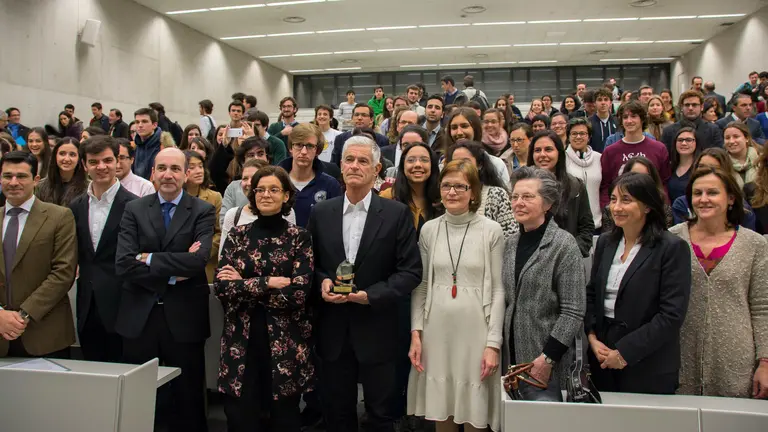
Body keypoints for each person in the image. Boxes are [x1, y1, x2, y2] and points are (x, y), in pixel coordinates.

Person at [307, 135, 422, 431]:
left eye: (362, 161)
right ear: (340, 166)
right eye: (349, 160)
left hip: (379, 329)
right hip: (333, 331)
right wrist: (321, 283)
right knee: (337, 414)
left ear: (376, 169)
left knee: (381, 416)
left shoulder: (397, 214)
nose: (355, 166)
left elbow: (410, 272)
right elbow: (311, 265)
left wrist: (369, 296)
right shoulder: (321, 213)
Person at [115, 147, 215, 432]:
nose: (167, 174)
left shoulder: (202, 211)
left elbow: (197, 261)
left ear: (186, 174)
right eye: (161, 168)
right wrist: (173, 272)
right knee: (143, 398)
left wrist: (148, 258)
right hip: (140, 318)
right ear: (153, 173)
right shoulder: (134, 208)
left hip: (185, 318)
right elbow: (123, 264)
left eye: (174, 168)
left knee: (188, 398)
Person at [215, 165, 314, 431]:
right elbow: (223, 289)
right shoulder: (237, 235)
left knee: (285, 418)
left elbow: (298, 294)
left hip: (286, 342)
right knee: (240, 417)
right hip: (241, 341)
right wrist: (268, 282)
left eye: (274, 189)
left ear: (286, 196)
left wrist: (244, 284)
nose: (266, 195)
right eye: (260, 189)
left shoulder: (299, 238)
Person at [408, 160, 504, 431]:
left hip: (476, 333)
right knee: (442, 413)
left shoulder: (491, 231)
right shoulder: (429, 229)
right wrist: (416, 332)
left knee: (475, 415)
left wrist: (493, 343)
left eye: (460, 186)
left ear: (473, 192)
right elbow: (422, 285)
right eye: (446, 185)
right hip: (436, 332)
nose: (452, 192)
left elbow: (498, 289)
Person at [587, 172, 691, 394]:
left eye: (626, 200)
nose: (616, 207)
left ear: (648, 206)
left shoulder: (671, 248)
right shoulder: (606, 241)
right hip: (603, 357)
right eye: (613, 199)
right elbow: (592, 294)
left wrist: (624, 353)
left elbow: (671, 315)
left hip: (648, 362)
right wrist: (592, 337)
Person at [670, 167, 768, 399]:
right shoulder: (672, 239)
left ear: (731, 198)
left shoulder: (754, 245)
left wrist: (764, 362)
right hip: (681, 358)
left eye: (712, 193)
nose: (703, 199)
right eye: (697, 193)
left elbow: (763, 307)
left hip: (736, 360)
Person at [502, 167, 586, 401]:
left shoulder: (563, 245)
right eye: (515, 196)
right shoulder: (510, 243)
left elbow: (573, 310)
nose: (519, 202)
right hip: (512, 363)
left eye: (528, 197)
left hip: (546, 362)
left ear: (548, 204)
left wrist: (547, 358)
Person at [0, 151, 77, 358]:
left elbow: (63, 273)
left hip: (45, 335)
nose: (13, 182)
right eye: (7, 176)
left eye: (21, 176)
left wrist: (23, 315)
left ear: (35, 180)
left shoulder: (59, 217)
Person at [70, 135, 138, 362]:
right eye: (94, 162)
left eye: (107, 160)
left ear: (117, 162)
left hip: (123, 303)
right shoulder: (76, 206)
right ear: (84, 165)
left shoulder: (136, 206)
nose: (101, 167)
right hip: (87, 304)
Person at [527, 131, 595, 256]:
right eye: (537, 150)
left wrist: (570, 252)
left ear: (559, 153)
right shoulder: (523, 187)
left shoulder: (575, 186)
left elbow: (587, 227)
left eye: (548, 149)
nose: (542, 154)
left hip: (567, 258)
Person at [600, 101, 671, 208]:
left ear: (642, 119)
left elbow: (663, 183)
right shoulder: (610, 152)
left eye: (633, 116)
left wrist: (664, 207)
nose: (629, 121)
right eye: (625, 117)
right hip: (620, 210)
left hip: (651, 209)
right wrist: (608, 209)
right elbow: (605, 185)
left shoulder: (659, 148)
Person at [219, 160, 297, 257]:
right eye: (245, 178)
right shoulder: (233, 217)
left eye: (254, 178)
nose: (249, 183)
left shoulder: (289, 215)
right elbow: (224, 261)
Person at [670, 148, 757, 228]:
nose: (706, 170)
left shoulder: (744, 209)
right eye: (701, 166)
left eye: (714, 167)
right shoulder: (681, 204)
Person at [446, 141, 517, 238]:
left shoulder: (496, 194)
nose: (460, 167)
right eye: (455, 162)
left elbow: (510, 237)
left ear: (479, 165)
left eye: (465, 162)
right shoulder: (447, 194)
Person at [278, 123, 342, 227]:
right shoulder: (275, 181)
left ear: (317, 150)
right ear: (290, 148)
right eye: (298, 145)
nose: (303, 152)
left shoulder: (330, 185)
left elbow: (335, 225)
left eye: (310, 146)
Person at [441, 107, 511, 189]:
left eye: (464, 126)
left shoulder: (496, 164)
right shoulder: (443, 164)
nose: (459, 132)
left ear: (476, 129)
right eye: (454, 127)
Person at [183, 150, 221, 283]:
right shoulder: (175, 198)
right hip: (179, 262)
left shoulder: (214, 197)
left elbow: (219, 232)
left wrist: (202, 253)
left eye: (200, 166)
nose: (199, 171)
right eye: (192, 167)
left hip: (206, 263)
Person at [218, 136, 272, 227]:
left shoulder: (278, 185)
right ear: (243, 161)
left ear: (268, 158)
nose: (256, 158)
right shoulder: (233, 188)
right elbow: (224, 222)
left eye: (260, 153)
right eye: (251, 155)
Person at [565, 117, 602, 230]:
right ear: (568, 136)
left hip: (598, 223)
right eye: (574, 133)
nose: (578, 137)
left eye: (582, 133)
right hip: (572, 225)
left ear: (589, 136)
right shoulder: (562, 159)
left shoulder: (599, 158)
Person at [36, 137, 89, 207]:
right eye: (62, 154)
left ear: (79, 158)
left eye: (72, 154)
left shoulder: (88, 188)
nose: (66, 159)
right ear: (55, 156)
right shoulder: (41, 186)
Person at [668, 127, 700, 202]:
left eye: (689, 140)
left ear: (696, 143)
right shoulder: (669, 167)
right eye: (680, 140)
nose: (684, 143)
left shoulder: (700, 168)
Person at [132, 107, 163, 180]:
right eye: (137, 122)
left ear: (154, 125)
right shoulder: (133, 146)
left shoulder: (164, 147)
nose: (140, 125)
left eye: (144, 121)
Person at [589, 88, 618, 153]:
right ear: (594, 103)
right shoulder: (588, 123)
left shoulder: (618, 122)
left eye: (606, 99)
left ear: (610, 103)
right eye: (599, 100)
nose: (603, 103)